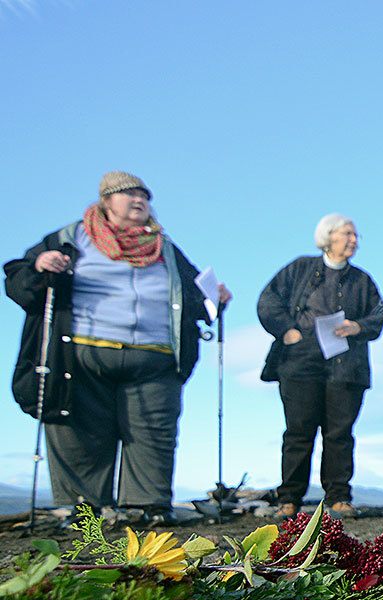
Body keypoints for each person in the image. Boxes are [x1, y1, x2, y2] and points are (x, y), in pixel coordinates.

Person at [4, 171, 231, 524]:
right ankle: (83, 509)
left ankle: (148, 508)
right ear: (106, 200)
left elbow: (195, 298)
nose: (139, 200)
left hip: (155, 355)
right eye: (128, 194)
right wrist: (40, 265)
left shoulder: (166, 249)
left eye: (145, 196)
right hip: (80, 354)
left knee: (153, 432)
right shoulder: (68, 238)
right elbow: (19, 282)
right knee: (80, 430)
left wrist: (215, 298)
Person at [257, 214, 383, 519]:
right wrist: (287, 330)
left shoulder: (362, 280)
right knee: (298, 431)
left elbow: (380, 314)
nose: (354, 240)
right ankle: (289, 498)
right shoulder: (300, 268)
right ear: (328, 237)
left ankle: (339, 497)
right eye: (348, 233)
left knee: (340, 433)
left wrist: (358, 326)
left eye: (356, 235)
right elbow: (267, 301)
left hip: (346, 366)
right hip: (300, 361)